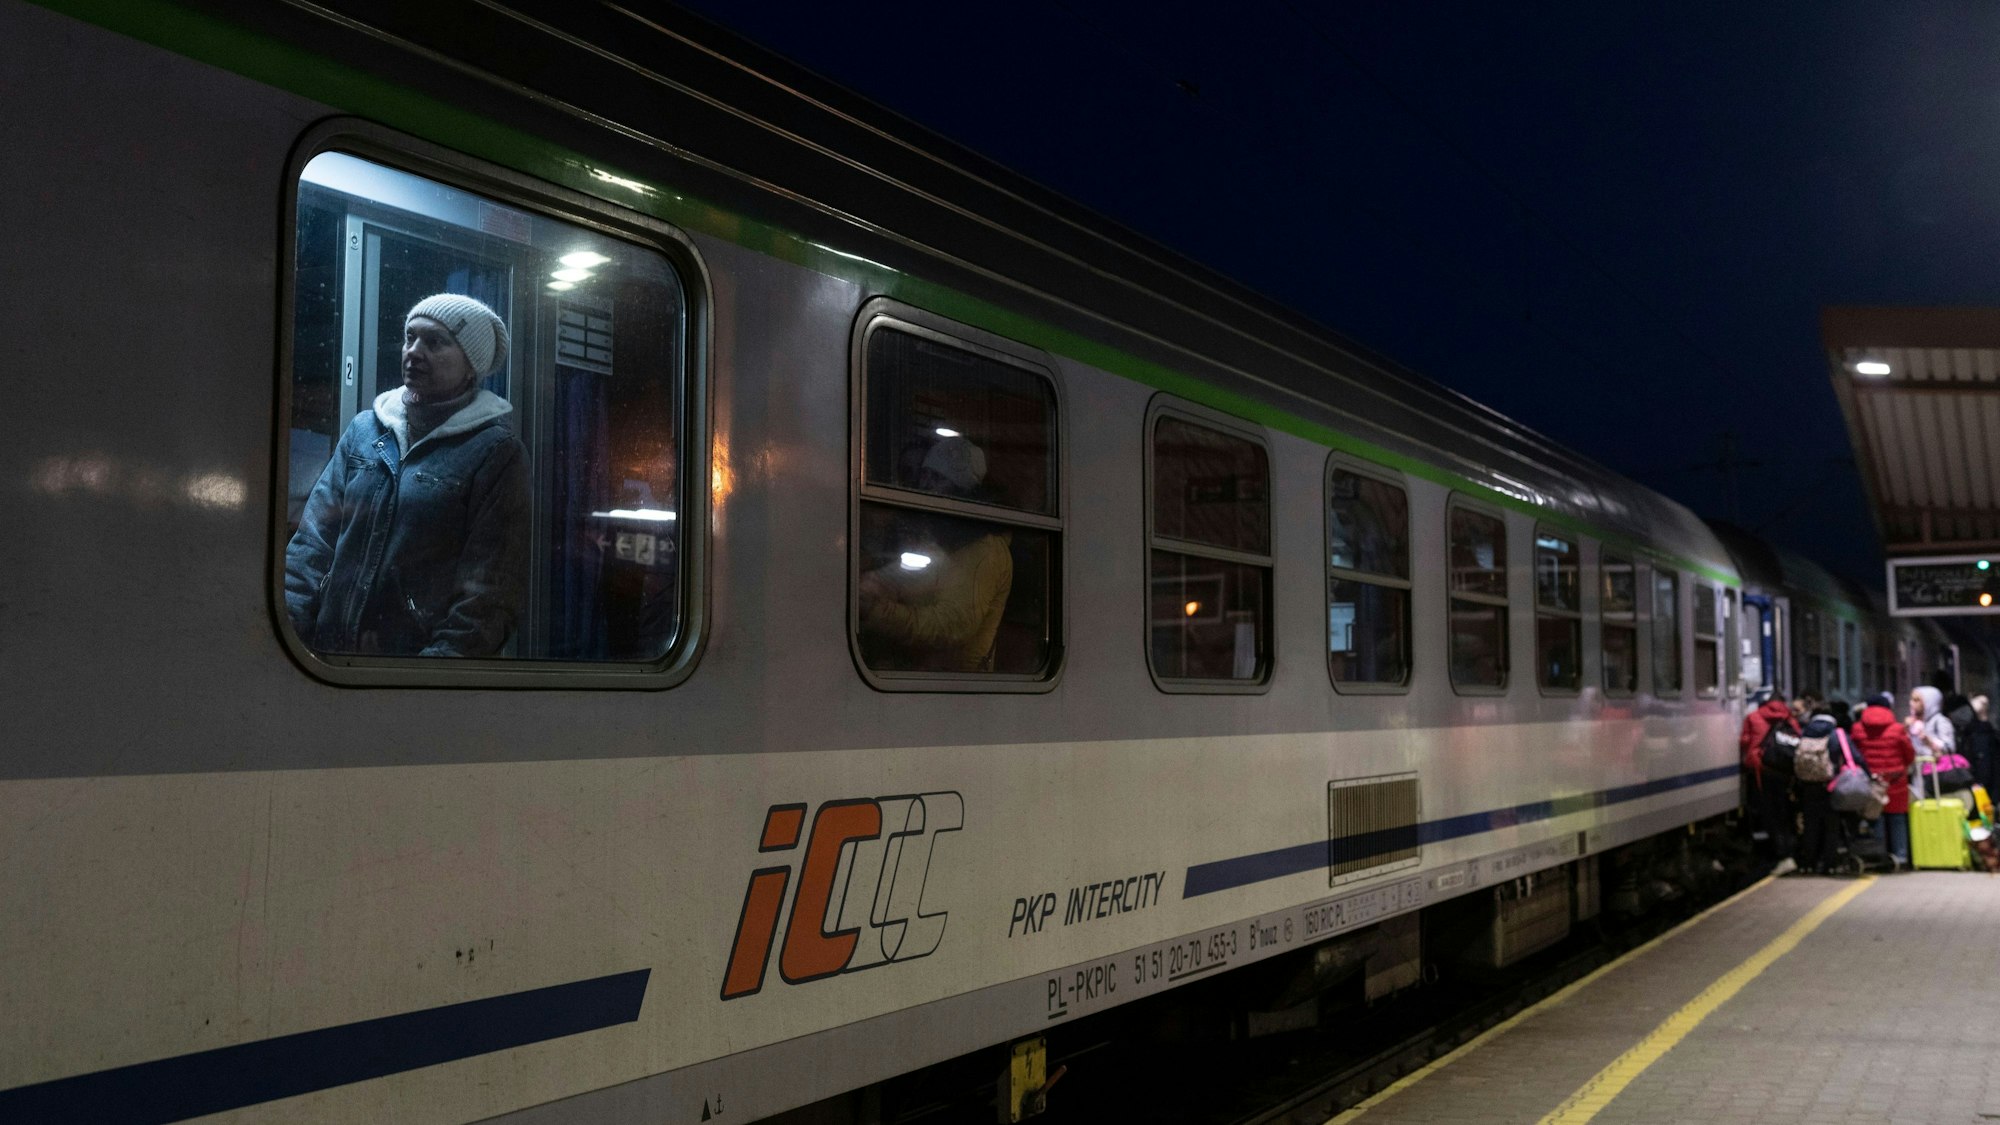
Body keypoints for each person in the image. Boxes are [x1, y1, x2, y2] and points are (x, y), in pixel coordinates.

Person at [285, 294, 529, 657]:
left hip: (412, 679)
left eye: (435, 342)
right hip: (325, 662)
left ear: (471, 367)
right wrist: (289, 641)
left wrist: (426, 679)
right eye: (409, 337)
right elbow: (313, 542)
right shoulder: (364, 431)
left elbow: (488, 597)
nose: (413, 351)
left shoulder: (495, 453)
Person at [858, 436, 1014, 672]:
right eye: (926, 475)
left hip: (956, 689)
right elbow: (901, 576)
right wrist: (869, 585)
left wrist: (877, 611)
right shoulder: (940, 539)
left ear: (960, 490)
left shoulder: (985, 550)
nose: (926, 486)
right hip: (921, 676)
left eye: (938, 478)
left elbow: (950, 626)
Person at [1853, 691, 1918, 867]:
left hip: (1871, 782)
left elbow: (1855, 755)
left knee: (1876, 816)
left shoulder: (1858, 728)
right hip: (1895, 781)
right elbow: (1909, 755)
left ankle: (1878, 855)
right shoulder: (1897, 729)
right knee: (1897, 819)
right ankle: (1901, 857)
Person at [1740, 687, 1799, 865]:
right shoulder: (1789, 718)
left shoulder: (1753, 717)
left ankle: (1779, 851)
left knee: (1769, 812)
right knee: (1785, 810)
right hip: (1785, 771)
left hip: (1762, 770)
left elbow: (1744, 741)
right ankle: (1790, 849)